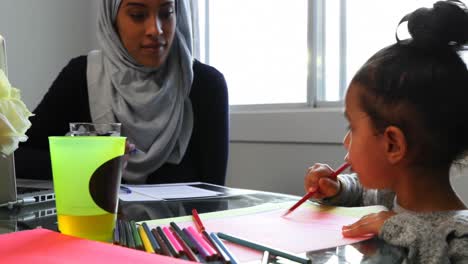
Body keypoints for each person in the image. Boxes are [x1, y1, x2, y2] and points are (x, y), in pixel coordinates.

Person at [304, 1, 468, 262]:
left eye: (352, 127)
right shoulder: (388, 195)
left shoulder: (459, 236)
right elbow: (361, 192)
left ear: (392, 144)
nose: (346, 141)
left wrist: (397, 226)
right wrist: (337, 188)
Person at [15, 0, 229, 185]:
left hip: (176, 233)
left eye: (166, 13)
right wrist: (85, 158)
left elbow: (214, 197)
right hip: (94, 230)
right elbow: (18, 159)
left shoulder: (205, 86)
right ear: (112, 19)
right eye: (138, 15)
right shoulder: (82, 76)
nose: (156, 30)